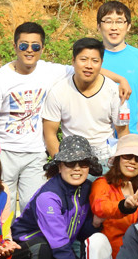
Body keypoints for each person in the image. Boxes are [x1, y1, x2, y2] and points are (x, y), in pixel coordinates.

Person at [0, 22, 73, 207]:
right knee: (2, 206)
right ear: (15, 46)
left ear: (42, 48)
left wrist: (119, 80)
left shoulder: (49, 71)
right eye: (24, 45)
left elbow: (83, 68)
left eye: (35, 46)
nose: (29, 50)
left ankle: (27, 229)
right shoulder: (0, 79)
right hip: (5, 153)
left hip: (35, 153)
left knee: (32, 205)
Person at [12, 135, 99, 259]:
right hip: (22, 255)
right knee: (43, 246)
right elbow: (60, 246)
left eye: (83, 163)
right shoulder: (49, 196)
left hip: (55, 249)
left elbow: (82, 233)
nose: (77, 168)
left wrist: (97, 221)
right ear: (59, 166)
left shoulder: (87, 188)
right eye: (70, 163)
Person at [41, 37, 127, 167]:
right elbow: (50, 134)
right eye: (83, 59)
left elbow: (123, 132)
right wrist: (61, 164)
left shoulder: (113, 91)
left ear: (101, 63)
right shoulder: (58, 91)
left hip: (106, 158)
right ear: (73, 61)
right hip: (72, 159)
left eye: (95, 61)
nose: (89, 66)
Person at [97, 1, 138, 135]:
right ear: (99, 26)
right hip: (96, 137)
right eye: (108, 21)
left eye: (119, 21)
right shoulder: (90, 57)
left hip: (130, 135)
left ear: (128, 26)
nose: (114, 27)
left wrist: (127, 118)